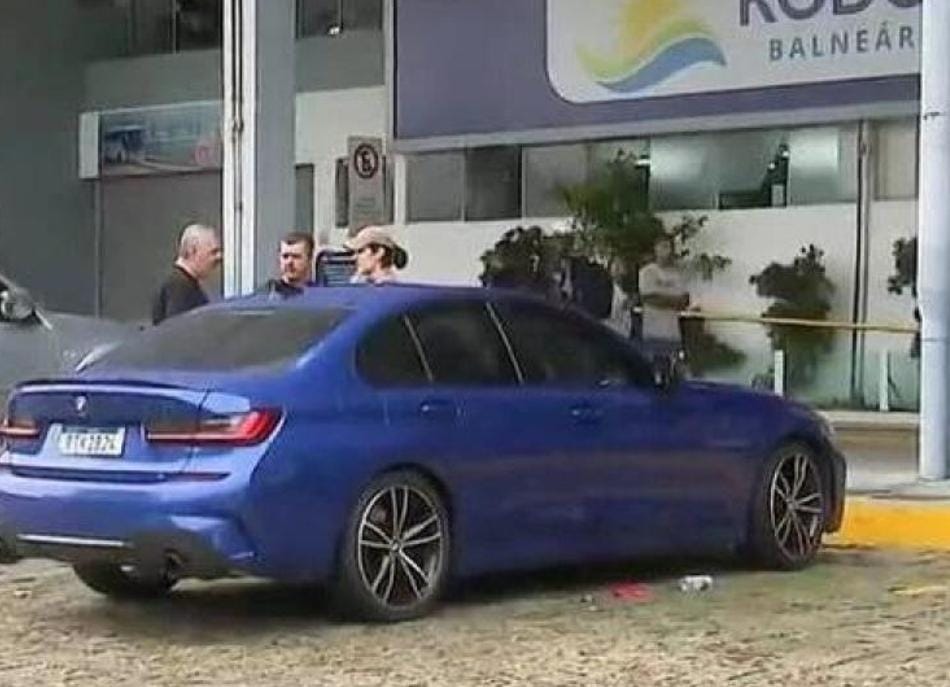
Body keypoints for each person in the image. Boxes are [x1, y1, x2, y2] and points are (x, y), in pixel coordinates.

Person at [151, 223, 221, 325]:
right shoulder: (178, 286)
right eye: (213, 252)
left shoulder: (181, 283)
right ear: (191, 251)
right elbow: (179, 332)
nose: (219, 257)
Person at [638, 234, 690, 360]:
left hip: (673, 333)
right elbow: (650, 299)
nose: (666, 251)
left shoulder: (677, 274)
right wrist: (673, 300)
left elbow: (684, 300)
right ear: (656, 248)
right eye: (663, 246)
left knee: (672, 368)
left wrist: (664, 298)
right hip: (653, 333)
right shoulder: (647, 272)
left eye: (669, 247)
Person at [261, 231, 316, 298]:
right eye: (285, 256)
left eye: (296, 257)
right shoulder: (266, 295)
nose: (289, 262)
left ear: (309, 259)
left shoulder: (319, 294)